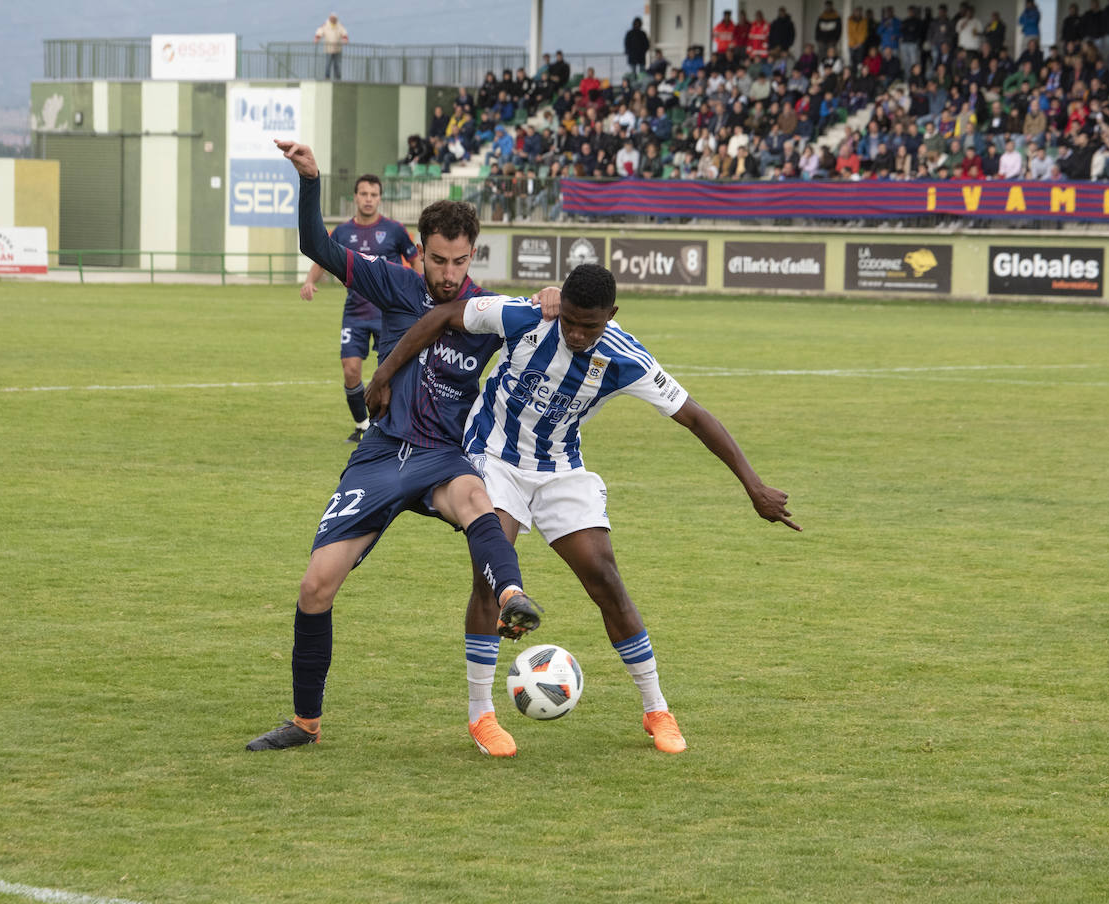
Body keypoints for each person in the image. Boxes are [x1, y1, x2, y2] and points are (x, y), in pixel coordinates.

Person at [364, 264, 800, 756]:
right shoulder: (528, 315)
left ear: (611, 316)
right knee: (491, 565)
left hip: (561, 470)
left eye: (588, 326)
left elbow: (695, 417)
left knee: (605, 576)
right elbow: (444, 315)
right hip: (491, 456)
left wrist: (753, 485)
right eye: (569, 320)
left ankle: (656, 708)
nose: (574, 333)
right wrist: (384, 373)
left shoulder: (625, 356)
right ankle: (480, 714)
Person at [248, 140, 556, 755]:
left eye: (459, 262)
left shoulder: (487, 310)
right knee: (316, 587)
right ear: (423, 254)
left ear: (473, 256)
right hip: (383, 456)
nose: (448, 274)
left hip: (444, 456)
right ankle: (305, 723)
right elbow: (318, 247)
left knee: (477, 497)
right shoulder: (394, 283)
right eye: (438, 261)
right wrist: (310, 180)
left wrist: (553, 296)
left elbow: (557, 313)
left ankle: (512, 595)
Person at [299, 175, 419, 444]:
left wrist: (424, 293)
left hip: (391, 314)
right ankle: (362, 425)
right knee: (350, 369)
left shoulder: (395, 230)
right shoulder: (342, 232)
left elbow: (416, 261)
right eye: (363, 194)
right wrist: (309, 281)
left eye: (373, 194)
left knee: (396, 373)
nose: (368, 199)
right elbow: (322, 257)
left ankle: (397, 426)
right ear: (355, 197)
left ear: (380, 198)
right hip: (355, 312)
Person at [314, 13, 348, 80]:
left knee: (337, 65)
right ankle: (327, 77)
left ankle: (338, 78)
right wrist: (317, 38)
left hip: (338, 49)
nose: (333, 19)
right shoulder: (325, 25)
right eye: (332, 18)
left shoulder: (339, 26)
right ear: (330, 19)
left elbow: (344, 33)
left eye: (334, 18)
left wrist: (345, 39)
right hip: (328, 49)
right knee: (328, 64)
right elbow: (320, 32)